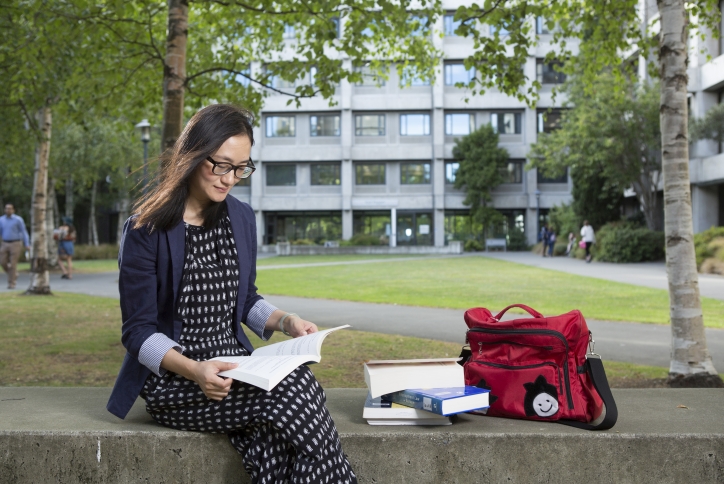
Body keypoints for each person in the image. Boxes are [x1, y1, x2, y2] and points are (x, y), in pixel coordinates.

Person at [106, 104, 357, 483]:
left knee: (279, 425)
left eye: (242, 168)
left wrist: (286, 321)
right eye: (221, 165)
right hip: (180, 382)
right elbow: (137, 333)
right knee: (297, 394)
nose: (230, 178)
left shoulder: (241, 217)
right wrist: (195, 370)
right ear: (191, 154)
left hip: (238, 367)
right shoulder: (145, 229)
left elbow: (246, 300)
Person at [0, 204, 31, 289]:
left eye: (9, 209)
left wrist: (27, 243)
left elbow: (24, 232)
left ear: (13, 210)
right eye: (6, 209)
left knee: (13, 264)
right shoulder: (1, 220)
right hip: (5, 243)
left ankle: (12, 283)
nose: (8, 210)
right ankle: (14, 274)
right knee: (2, 262)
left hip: (16, 243)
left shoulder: (18, 220)